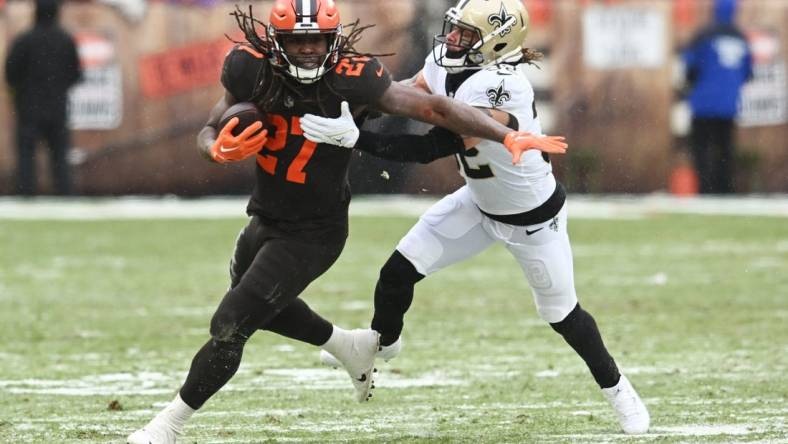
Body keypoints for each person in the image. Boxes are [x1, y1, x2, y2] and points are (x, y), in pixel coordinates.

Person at [127, 1, 566, 442]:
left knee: (230, 322)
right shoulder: (250, 68)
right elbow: (209, 126)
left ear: (332, 40)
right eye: (296, 42)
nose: (306, 52)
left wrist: (507, 133)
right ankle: (346, 345)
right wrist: (215, 149)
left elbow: (433, 108)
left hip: (315, 232)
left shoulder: (353, 77)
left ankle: (167, 426)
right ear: (276, 42)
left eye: (314, 41)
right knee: (261, 308)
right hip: (264, 216)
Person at [308, 0, 650, 435]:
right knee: (396, 273)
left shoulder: (502, 85)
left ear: (497, 43)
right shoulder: (445, 60)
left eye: (465, 36)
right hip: (477, 202)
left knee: (562, 315)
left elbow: (435, 144)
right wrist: (350, 106)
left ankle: (619, 391)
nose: (452, 40)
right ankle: (381, 345)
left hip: (532, 221)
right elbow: (402, 96)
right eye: (453, 30)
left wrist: (359, 139)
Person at [4, 0, 82, 196]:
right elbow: (76, 75)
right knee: (60, 159)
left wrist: (23, 92)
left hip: (28, 109)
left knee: (26, 159)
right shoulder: (65, 40)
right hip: (57, 108)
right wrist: (58, 88)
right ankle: (65, 197)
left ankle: (26, 197)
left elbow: (10, 74)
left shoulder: (24, 40)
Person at [682, 0, 753, 194]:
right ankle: (724, 189)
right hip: (728, 104)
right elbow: (748, 72)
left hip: (703, 103)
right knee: (725, 149)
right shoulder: (741, 38)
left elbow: (689, 67)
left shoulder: (703, 35)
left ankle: (705, 190)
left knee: (702, 148)